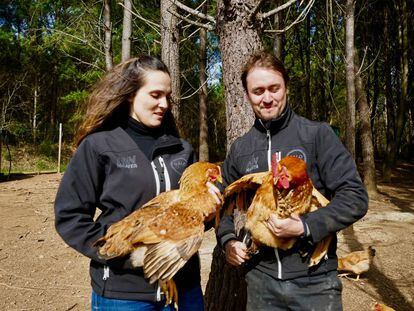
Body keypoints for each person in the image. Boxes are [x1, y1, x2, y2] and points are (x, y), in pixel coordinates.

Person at [216, 51, 368, 310]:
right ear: (247, 95)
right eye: (258, 91)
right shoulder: (241, 148)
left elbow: (355, 197)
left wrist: (305, 227)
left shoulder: (317, 135)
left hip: (315, 280)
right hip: (260, 281)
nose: (267, 98)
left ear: (286, 87)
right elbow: (222, 203)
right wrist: (228, 240)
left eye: (274, 88)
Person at [55, 56, 206, 311]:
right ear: (130, 95)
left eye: (168, 96)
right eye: (155, 95)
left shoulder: (182, 149)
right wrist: (116, 254)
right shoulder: (100, 146)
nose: (164, 104)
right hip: (125, 291)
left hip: (184, 288)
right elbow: (70, 216)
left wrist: (208, 207)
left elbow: (193, 214)